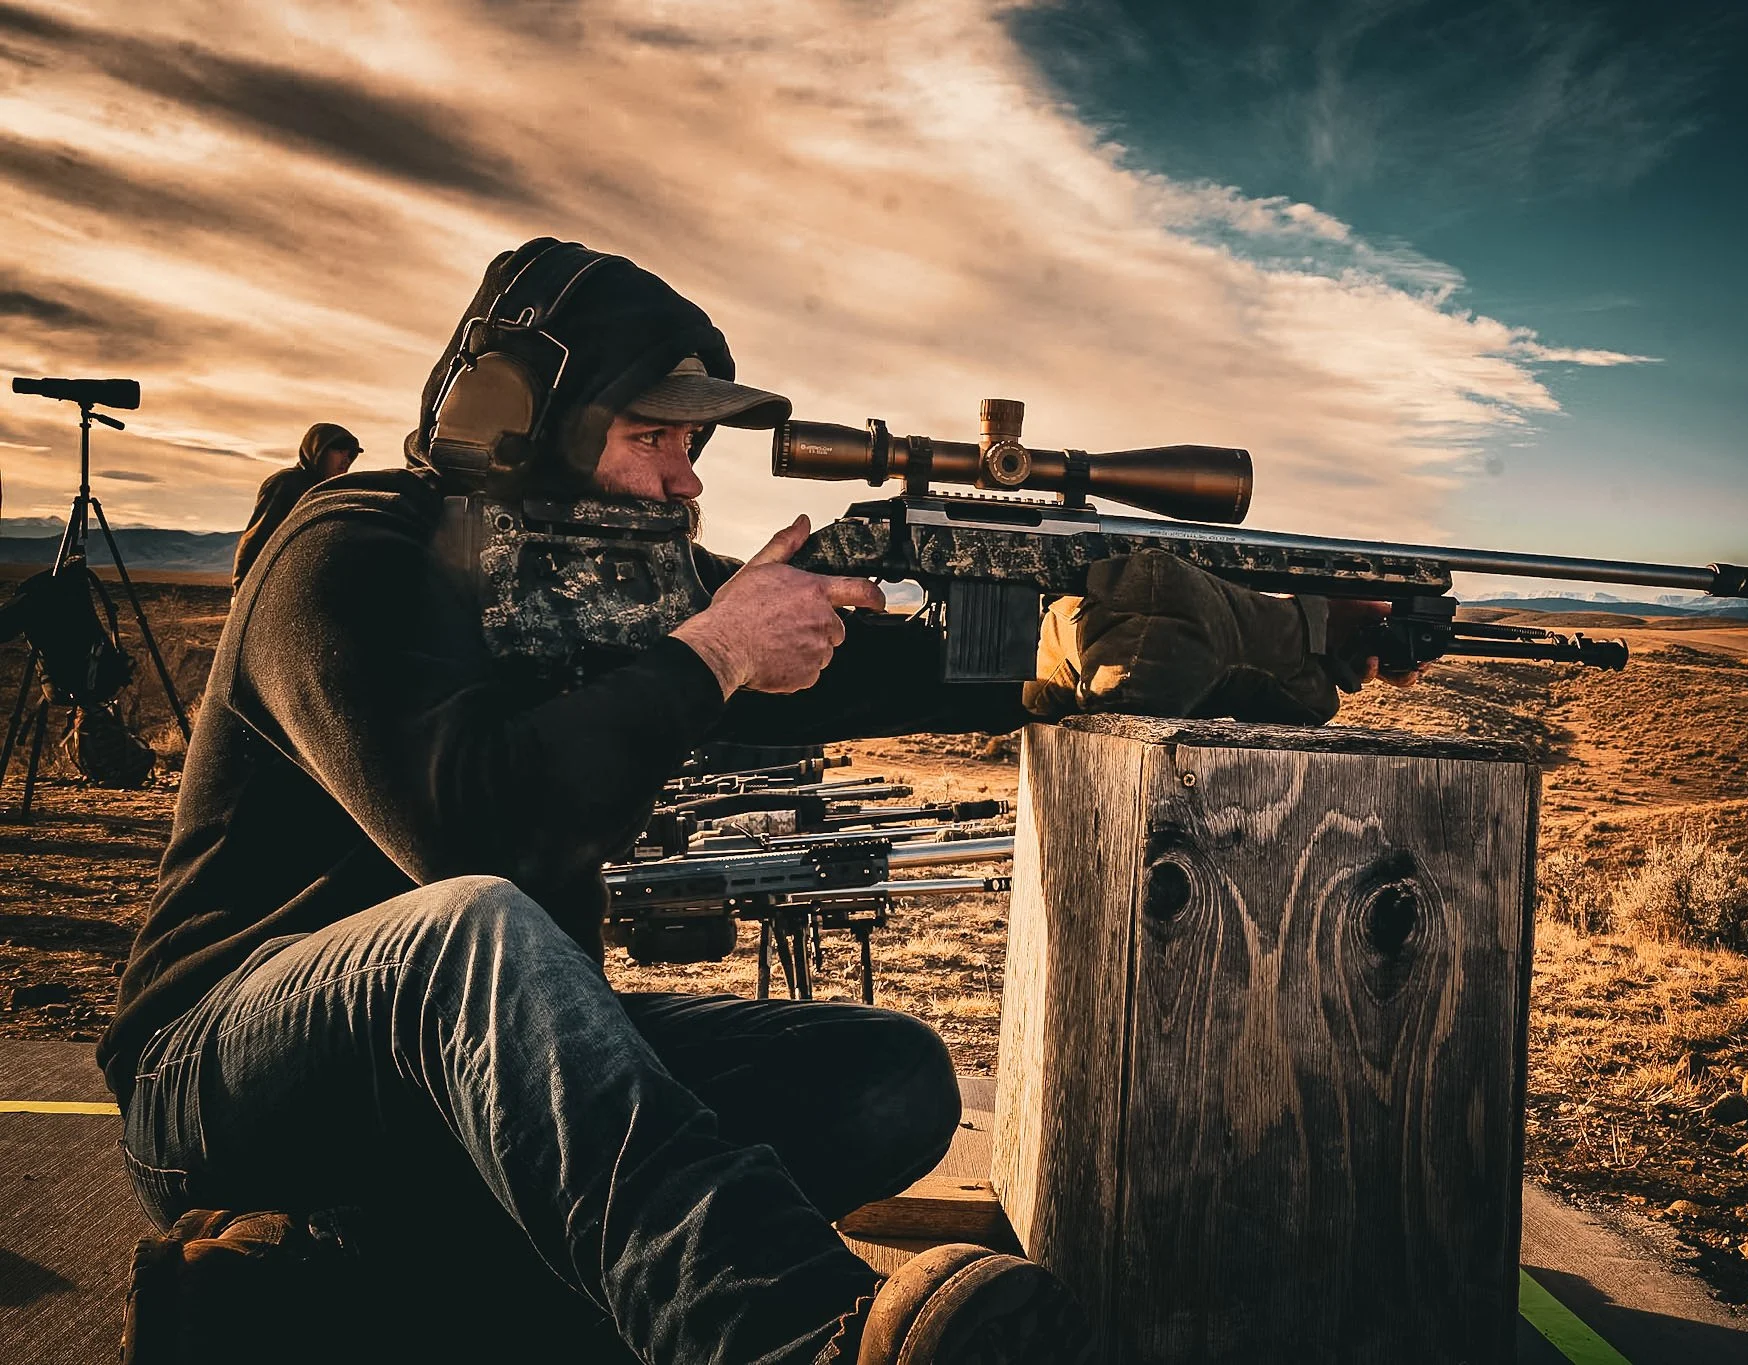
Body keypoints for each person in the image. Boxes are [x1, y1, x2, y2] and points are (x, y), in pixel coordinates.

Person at [101, 239, 1409, 1365]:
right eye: (654, 438)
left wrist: (1200, 630)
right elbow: (470, 833)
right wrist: (715, 651)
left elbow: (889, 656)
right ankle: (803, 1333)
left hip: (459, 1080)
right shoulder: (348, 550)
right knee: (475, 924)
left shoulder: (604, 581)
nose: (687, 480)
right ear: (511, 412)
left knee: (882, 1076)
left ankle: (347, 1289)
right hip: (224, 1068)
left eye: (694, 445)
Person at [228, 422, 362, 592]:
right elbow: (256, 538)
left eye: (351, 454)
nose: (346, 459)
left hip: (309, 588)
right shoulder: (286, 483)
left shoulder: (333, 492)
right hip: (276, 588)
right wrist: (240, 590)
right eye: (339, 450)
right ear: (317, 450)